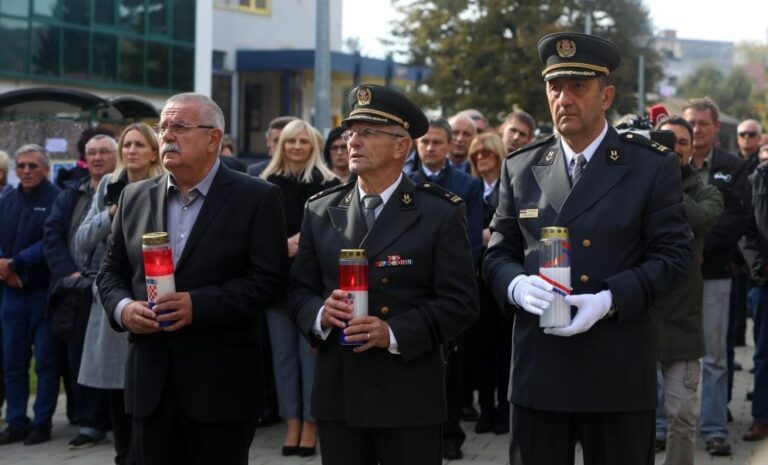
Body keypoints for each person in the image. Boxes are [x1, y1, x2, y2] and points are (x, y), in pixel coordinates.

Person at [483, 32, 692, 465]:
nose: (564, 98)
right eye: (555, 87)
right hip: (541, 368)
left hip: (615, 366)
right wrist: (516, 286)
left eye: (578, 87)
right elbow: (497, 252)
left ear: (607, 95)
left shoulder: (650, 166)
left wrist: (609, 298)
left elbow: (674, 258)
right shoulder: (522, 167)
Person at [289, 84, 478, 465]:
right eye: (350, 131)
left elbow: (461, 302)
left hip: (406, 393)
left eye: (368, 132)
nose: (353, 141)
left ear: (401, 146)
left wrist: (392, 332)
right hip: (339, 391)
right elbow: (298, 290)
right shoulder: (321, 209)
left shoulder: (439, 212)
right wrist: (319, 314)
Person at [97, 93, 289, 465]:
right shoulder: (134, 197)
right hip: (149, 386)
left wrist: (197, 305)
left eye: (179, 127)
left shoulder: (256, 198)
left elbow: (269, 281)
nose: (167, 136)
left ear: (214, 139)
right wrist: (124, 309)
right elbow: (111, 272)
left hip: (221, 388)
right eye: (163, 127)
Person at [74, 122, 165, 464]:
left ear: (153, 151)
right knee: (115, 388)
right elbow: (81, 241)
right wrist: (112, 212)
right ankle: (122, 455)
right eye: (126, 145)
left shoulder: (164, 185)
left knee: (144, 388)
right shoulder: (110, 186)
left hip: (151, 296)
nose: (131, 152)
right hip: (114, 299)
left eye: (139, 145)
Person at [259, 119, 339, 456]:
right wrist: (282, 244)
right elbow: (253, 239)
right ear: (280, 145)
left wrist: (303, 242)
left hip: (314, 287)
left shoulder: (330, 183)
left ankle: (311, 424)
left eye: (303, 142)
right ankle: (290, 423)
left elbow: (338, 236)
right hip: (276, 285)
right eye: (290, 142)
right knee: (283, 358)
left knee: (312, 359)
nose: (296, 147)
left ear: (313, 146)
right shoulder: (263, 184)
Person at [410, 117, 484, 460]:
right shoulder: (406, 181)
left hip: (451, 287)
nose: (430, 148)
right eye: (424, 142)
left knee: (453, 367)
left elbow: (470, 239)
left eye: (437, 142)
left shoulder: (466, 185)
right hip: (416, 288)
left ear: (450, 143)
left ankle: (451, 435)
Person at [652, 116, 723, 464]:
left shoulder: (707, 191)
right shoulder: (637, 186)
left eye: (681, 142)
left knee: (681, 414)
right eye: (666, 140)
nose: (673, 148)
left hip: (683, 321)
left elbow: (698, 219)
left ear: (691, 147)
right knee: (633, 415)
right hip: (640, 315)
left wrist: (664, 181)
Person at [683, 97, 750, 456]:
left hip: (715, 273)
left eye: (703, 123)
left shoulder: (732, 167)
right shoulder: (668, 163)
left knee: (715, 357)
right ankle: (665, 427)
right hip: (675, 277)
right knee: (670, 354)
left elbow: (737, 216)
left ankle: (712, 430)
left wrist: (703, 249)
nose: (696, 130)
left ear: (715, 126)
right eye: (691, 123)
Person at [43, 133, 118, 450]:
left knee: (112, 353)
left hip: (113, 285)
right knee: (80, 356)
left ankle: (114, 417)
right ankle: (89, 420)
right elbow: (53, 234)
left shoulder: (126, 188)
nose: (98, 158)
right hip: (78, 284)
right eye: (93, 153)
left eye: (104, 151)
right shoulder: (71, 192)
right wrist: (68, 271)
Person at [0, 144, 61, 446]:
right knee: (12, 363)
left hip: (42, 293)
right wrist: (4, 268)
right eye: (21, 165)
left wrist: (16, 263)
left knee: (46, 364)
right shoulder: (7, 199)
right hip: (10, 295)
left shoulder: (56, 199)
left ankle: (41, 422)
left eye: (32, 166)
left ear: (46, 168)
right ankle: (16, 422)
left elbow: (50, 241)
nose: (25, 171)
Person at [467, 132, 513, 435]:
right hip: (476, 280)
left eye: (487, 153)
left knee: (505, 348)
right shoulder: (472, 190)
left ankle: (505, 411)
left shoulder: (509, 187)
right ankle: (485, 408)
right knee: (480, 348)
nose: (482, 158)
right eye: (476, 155)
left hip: (503, 277)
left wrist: (489, 235)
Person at [741, 143, 768, 443]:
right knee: (763, 355)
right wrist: (759, 267)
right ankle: (762, 417)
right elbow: (746, 229)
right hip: (764, 282)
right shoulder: (758, 177)